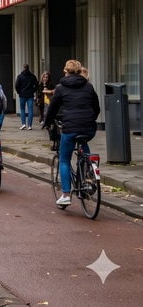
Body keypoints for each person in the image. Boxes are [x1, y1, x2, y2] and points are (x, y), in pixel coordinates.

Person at [43, 59, 100, 206]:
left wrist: (47, 122)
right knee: (84, 144)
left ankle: (66, 194)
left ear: (65, 71)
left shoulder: (61, 88)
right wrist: (90, 119)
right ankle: (87, 172)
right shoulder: (88, 86)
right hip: (88, 127)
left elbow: (53, 108)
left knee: (64, 158)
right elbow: (96, 107)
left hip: (70, 128)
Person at [15, 64, 39, 130]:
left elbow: (16, 85)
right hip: (30, 95)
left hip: (22, 95)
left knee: (22, 109)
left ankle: (23, 124)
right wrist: (33, 91)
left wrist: (19, 92)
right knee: (30, 110)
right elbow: (37, 85)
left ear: (23, 68)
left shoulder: (20, 76)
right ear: (28, 68)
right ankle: (30, 126)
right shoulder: (33, 76)